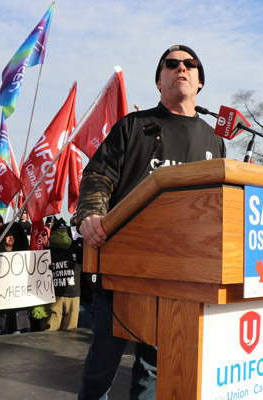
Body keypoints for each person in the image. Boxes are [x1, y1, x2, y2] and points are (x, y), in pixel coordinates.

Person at [76, 44, 226, 399]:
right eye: (171, 64)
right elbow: (98, 176)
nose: (181, 69)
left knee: (152, 374)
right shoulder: (133, 126)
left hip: (180, 277)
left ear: (200, 81)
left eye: (190, 65)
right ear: (159, 81)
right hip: (122, 272)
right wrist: (91, 215)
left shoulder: (215, 140)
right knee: (102, 368)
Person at [0, 223, 32, 336]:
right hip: (0, 312)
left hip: (19, 312)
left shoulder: (26, 257)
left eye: (14, 235)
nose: (10, 237)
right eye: (8, 234)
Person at [43, 218, 81, 331]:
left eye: (64, 232)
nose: (62, 235)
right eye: (59, 232)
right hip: (54, 295)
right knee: (51, 328)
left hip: (73, 295)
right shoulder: (47, 252)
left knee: (71, 330)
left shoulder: (76, 249)